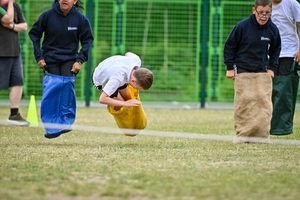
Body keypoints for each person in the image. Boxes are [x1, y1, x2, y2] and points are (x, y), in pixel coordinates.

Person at [28, 0, 93, 138]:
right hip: (50, 59)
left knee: (66, 88)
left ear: (74, 1)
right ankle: (51, 128)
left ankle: (65, 123)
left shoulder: (80, 19)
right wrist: (39, 57)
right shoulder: (47, 16)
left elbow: (87, 40)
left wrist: (80, 60)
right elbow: (34, 34)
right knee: (53, 90)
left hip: (70, 60)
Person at [224, 0, 281, 142]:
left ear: (271, 12)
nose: (264, 16)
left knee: (264, 103)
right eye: (261, 12)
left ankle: (262, 135)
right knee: (244, 102)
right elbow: (230, 46)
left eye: (267, 13)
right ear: (254, 10)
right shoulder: (242, 27)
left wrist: (272, 68)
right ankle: (242, 135)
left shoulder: (272, 29)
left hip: (262, 72)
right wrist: (230, 68)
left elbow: (276, 50)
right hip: (243, 71)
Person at [270, 0, 300, 135]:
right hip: (269, 54)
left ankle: (281, 128)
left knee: (284, 92)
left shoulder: (292, 4)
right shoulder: (264, 4)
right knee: (268, 90)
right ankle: (265, 125)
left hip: (289, 53)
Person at [0, 0, 29, 126]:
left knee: (18, 82)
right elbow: (8, 18)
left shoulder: (15, 6)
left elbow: (24, 26)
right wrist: (11, 3)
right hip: (1, 52)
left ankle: (14, 114)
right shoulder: (2, 7)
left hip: (14, 52)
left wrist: (12, 26)